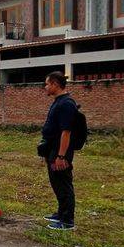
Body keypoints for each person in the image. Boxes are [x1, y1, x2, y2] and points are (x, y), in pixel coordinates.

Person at [41, 71, 78, 231]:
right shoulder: (59, 101)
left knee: (63, 184)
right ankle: (61, 213)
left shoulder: (66, 104)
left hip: (60, 151)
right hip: (53, 149)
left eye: (47, 84)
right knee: (57, 183)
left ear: (55, 84)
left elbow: (66, 132)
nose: (45, 87)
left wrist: (61, 156)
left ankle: (67, 220)